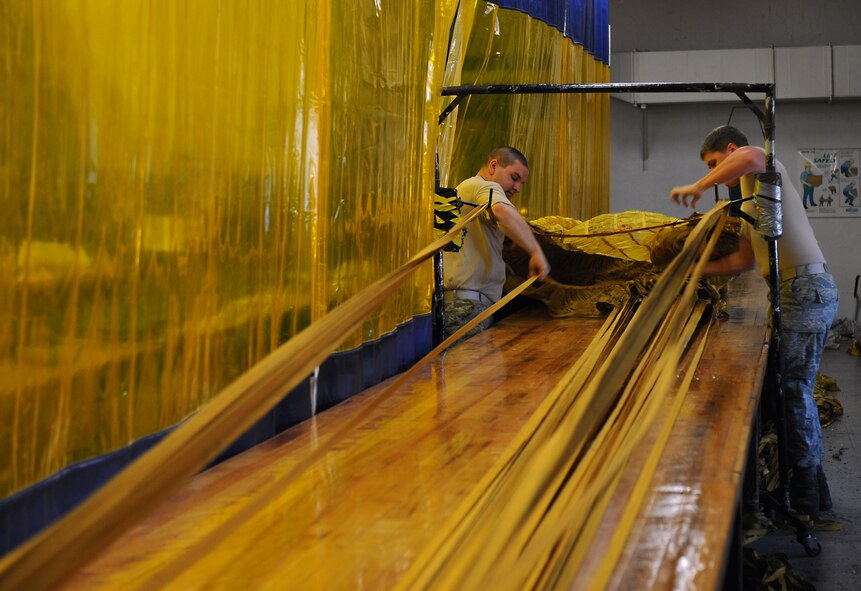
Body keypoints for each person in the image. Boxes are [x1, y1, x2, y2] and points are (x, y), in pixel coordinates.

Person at [670, 125, 839, 519]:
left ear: (729, 150)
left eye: (716, 165)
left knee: (794, 392)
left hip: (805, 289)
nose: (717, 177)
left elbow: (750, 156)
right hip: (793, 292)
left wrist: (697, 184)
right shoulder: (755, 202)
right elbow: (742, 261)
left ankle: (808, 498)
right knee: (786, 390)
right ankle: (813, 491)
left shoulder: (761, 168)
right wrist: (691, 270)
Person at [443, 146, 550, 340]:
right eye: (514, 178)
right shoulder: (484, 186)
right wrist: (536, 252)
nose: (517, 188)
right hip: (468, 309)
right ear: (493, 166)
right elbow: (502, 211)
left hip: (466, 307)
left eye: (521, 183)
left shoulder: (467, 190)